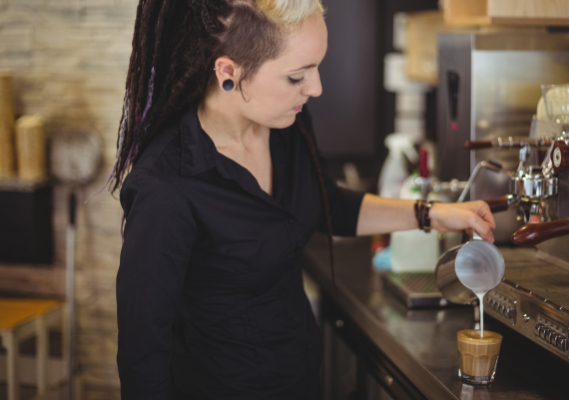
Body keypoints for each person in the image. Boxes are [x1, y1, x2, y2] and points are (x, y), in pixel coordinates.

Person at [111, 0, 496, 398]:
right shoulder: (167, 183)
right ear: (228, 72)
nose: (315, 88)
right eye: (297, 76)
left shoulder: (286, 125)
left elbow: (328, 203)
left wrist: (432, 214)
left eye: (316, 67)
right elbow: (142, 356)